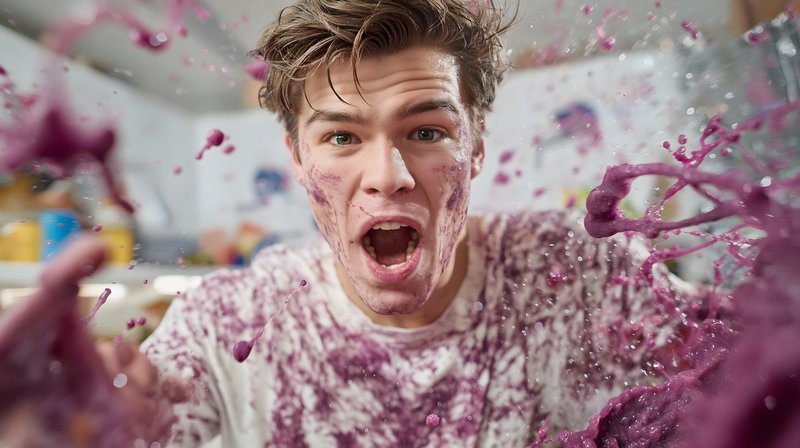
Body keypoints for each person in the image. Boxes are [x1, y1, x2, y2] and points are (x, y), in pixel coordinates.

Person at [4, 0, 698, 446]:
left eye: (427, 132)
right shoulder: (233, 324)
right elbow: (140, 413)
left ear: (476, 145)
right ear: (299, 160)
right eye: (340, 138)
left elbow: (740, 368)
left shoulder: (569, 272)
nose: (389, 174)